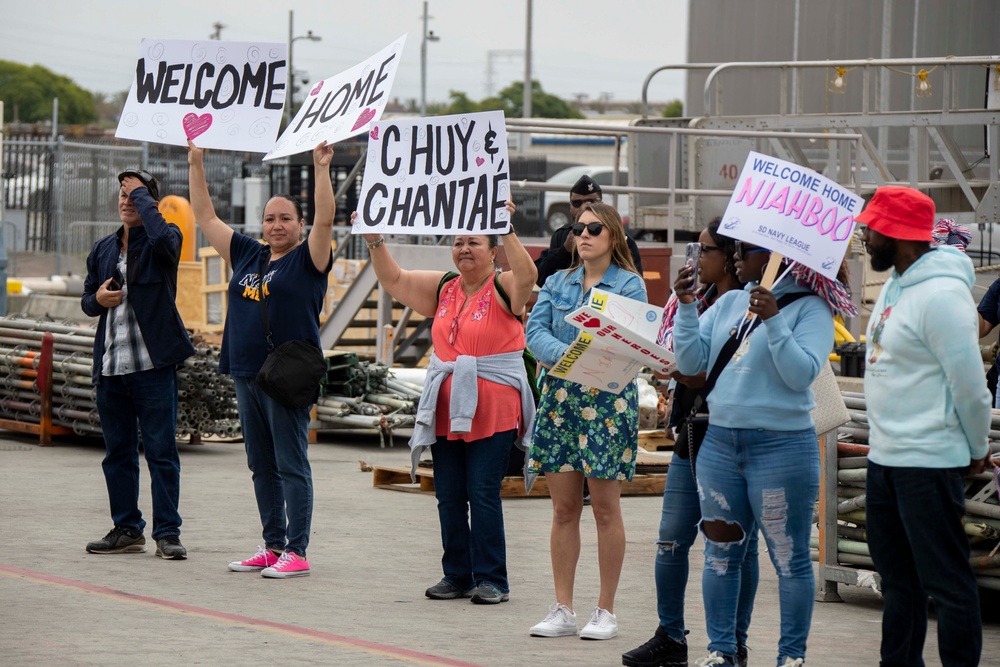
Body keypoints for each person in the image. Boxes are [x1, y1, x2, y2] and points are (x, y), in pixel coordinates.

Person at [358, 207, 537, 605]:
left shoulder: (505, 286)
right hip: (445, 407)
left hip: (494, 410)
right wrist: (374, 238)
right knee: (450, 493)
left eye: (474, 241)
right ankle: (457, 574)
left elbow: (528, 276)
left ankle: (493, 579)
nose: (464, 248)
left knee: (482, 492)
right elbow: (394, 279)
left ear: (493, 252)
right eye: (458, 242)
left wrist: (506, 228)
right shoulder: (445, 288)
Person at [671, 235, 834, 666]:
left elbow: (801, 376)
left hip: (782, 447)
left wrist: (776, 320)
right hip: (721, 443)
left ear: (779, 258)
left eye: (749, 249)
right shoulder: (728, 304)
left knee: (789, 558)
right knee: (720, 554)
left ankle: (790, 658)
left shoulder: (812, 308)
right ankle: (721, 652)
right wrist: (687, 307)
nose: (738, 256)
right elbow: (689, 366)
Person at [187, 140, 334, 579]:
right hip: (245, 370)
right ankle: (272, 545)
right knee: (260, 463)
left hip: (286, 376)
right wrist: (196, 162)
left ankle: (297, 550)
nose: (276, 225)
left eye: (285, 218)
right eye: (269, 218)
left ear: (299, 224)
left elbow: (326, 218)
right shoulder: (248, 254)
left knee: (291, 462)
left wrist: (320, 169)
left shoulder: (310, 258)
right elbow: (206, 217)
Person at [858, 187, 991, 667]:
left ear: (899, 235)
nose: (865, 237)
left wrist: (975, 448)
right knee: (898, 584)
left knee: (947, 584)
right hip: (885, 461)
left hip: (928, 463)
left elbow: (970, 386)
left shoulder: (941, 295)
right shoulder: (898, 282)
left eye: (872, 229)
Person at [623, 218, 756, 667]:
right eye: (694, 250)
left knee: (737, 545)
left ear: (732, 257)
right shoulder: (698, 300)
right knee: (670, 539)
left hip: (733, 435)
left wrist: (677, 364)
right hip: (692, 429)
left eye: (706, 251)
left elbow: (698, 369)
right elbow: (678, 359)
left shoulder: (748, 307)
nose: (696, 260)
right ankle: (670, 636)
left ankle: (734, 644)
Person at [526, 202, 647, 641]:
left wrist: (571, 355)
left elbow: (625, 343)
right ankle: (563, 608)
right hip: (560, 400)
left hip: (608, 402)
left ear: (613, 234)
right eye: (578, 228)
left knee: (605, 508)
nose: (584, 234)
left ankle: (606, 610)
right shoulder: (557, 282)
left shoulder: (629, 286)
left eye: (594, 227)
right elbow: (534, 333)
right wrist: (566, 356)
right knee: (562, 509)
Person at [82, 169, 196, 560]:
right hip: (112, 368)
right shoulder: (102, 249)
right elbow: (86, 300)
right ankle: (127, 528)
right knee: (118, 454)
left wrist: (145, 197)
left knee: (162, 453)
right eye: (123, 193)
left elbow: (164, 236)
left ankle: (168, 533)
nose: (126, 200)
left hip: (152, 368)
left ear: (150, 202)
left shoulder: (164, 242)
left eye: (135, 195)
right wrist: (98, 300)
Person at [534, 174, 643, 288]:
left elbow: (634, 285)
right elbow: (541, 280)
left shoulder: (621, 239)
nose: (584, 207)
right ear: (570, 206)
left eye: (595, 229)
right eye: (577, 203)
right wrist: (564, 251)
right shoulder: (562, 235)